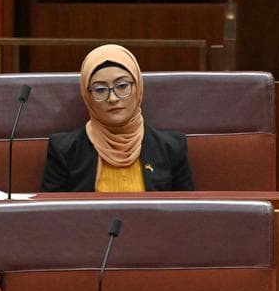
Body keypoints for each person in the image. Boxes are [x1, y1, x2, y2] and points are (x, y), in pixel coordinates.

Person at [41, 44, 195, 192]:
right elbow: (49, 215)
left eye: (122, 86)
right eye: (100, 89)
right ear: (87, 96)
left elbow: (186, 213)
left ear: (138, 87)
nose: (113, 98)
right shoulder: (65, 150)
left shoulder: (171, 148)